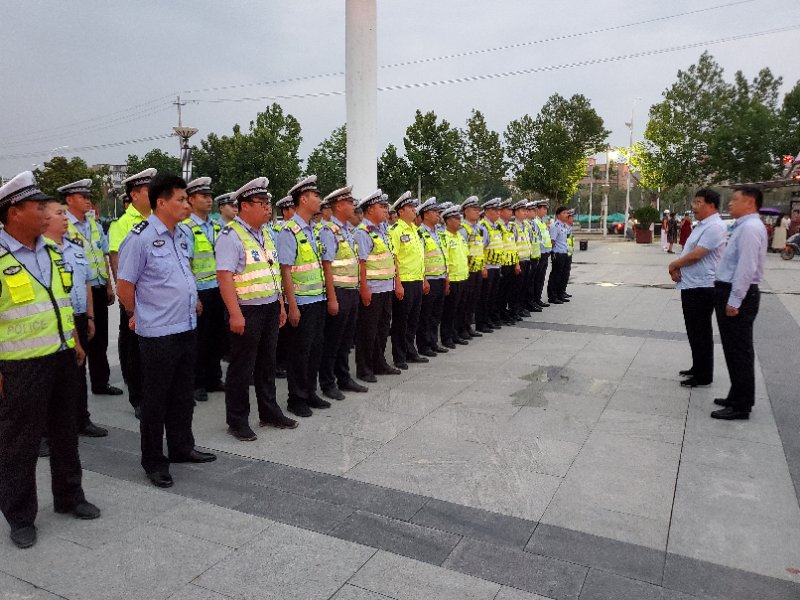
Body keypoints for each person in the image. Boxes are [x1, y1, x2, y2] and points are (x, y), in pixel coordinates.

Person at [0, 171, 100, 549]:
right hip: (20, 365)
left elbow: (60, 301)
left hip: (61, 357)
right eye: (38, 206)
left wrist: (73, 340)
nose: (46, 213)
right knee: (20, 442)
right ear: (14, 211)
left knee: (64, 432)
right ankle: (20, 516)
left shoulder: (53, 251)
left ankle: (70, 496)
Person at [116, 174, 216, 489]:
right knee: (155, 400)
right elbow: (124, 285)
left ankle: (181, 447)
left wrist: (192, 298)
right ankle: (154, 461)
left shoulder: (182, 234)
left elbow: (183, 272)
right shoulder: (140, 238)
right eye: (181, 199)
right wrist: (136, 314)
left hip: (186, 326)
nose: (187, 205)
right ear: (161, 202)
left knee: (183, 395)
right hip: (158, 333)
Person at [216, 177, 295, 441]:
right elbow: (224, 276)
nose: (267, 208)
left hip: (269, 307)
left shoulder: (266, 234)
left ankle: (269, 411)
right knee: (242, 367)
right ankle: (237, 420)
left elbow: (272, 271)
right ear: (244, 206)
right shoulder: (230, 235)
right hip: (246, 311)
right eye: (261, 203)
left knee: (267, 363)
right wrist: (235, 313)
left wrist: (280, 304)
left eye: (268, 203)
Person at [43, 199, 108, 438]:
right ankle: (47, 430)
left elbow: (86, 282)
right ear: (44, 219)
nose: (65, 218)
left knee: (79, 371)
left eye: (64, 213)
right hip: (57, 321)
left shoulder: (75, 247)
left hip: (79, 317)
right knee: (55, 377)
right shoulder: (42, 253)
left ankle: (82, 419)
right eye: (59, 213)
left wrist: (90, 316)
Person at [59, 179, 121, 397]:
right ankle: (76, 393)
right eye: (83, 197)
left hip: (98, 286)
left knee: (100, 338)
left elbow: (103, 254)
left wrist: (109, 285)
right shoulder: (63, 225)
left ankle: (100, 382)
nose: (88, 201)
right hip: (77, 291)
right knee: (80, 339)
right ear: (69, 200)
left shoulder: (93, 223)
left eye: (89, 197)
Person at [711, 186, 767, 420]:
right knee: (733, 349)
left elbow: (747, 267)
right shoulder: (744, 226)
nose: (730, 203)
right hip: (732, 291)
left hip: (739, 295)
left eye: (735, 199)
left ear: (750, 203)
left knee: (739, 351)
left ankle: (741, 405)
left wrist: (735, 300)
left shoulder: (750, 228)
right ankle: (736, 395)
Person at [277, 176, 331, 418]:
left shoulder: (314, 230)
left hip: (317, 299)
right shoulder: (289, 230)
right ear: (304, 199)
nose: (320, 200)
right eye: (316, 196)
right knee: (299, 352)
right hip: (301, 302)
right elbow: (286, 270)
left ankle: (310, 392)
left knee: (315, 349)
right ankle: (296, 398)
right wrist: (293, 306)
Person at [109, 167, 156, 418]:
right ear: (135, 194)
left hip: (157, 297)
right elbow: (117, 262)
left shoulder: (159, 219)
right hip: (135, 297)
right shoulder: (122, 224)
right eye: (149, 190)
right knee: (135, 350)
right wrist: (127, 300)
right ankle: (138, 398)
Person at [668, 189, 727, 389]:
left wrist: (674, 264)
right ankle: (698, 367)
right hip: (692, 284)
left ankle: (704, 375)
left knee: (700, 331)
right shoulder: (703, 225)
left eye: (698, 202)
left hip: (703, 287)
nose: (694, 206)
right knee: (694, 330)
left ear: (711, 205)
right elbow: (690, 251)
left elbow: (696, 255)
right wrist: (677, 269)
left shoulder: (715, 226)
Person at [317, 186, 368, 399]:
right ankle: (328, 383)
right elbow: (326, 266)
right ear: (339, 206)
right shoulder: (328, 231)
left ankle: (344, 378)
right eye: (349, 203)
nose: (353, 206)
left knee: (346, 340)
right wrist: (332, 298)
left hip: (351, 291)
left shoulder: (347, 231)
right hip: (338, 291)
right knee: (333, 341)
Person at [180, 177, 225, 403]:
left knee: (216, 336)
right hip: (200, 290)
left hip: (219, 289)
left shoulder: (217, 226)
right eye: (204, 196)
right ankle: (196, 383)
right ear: (191, 199)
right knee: (199, 339)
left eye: (210, 196)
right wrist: (194, 296)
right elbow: (186, 264)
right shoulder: (186, 228)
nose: (209, 200)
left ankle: (214, 378)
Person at [353, 190, 399, 382]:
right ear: (370, 209)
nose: (386, 210)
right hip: (372, 289)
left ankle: (379, 363)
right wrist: (364, 288)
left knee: (382, 329)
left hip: (386, 287)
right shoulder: (363, 232)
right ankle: (364, 369)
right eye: (382, 207)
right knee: (368, 331)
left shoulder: (382, 231)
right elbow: (361, 263)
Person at [388, 192, 428, 369]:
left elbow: (419, 258)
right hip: (404, 282)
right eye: (411, 208)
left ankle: (411, 351)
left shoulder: (415, 230)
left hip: (417, 280)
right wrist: (398, 283)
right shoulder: (396, 231)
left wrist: (424, 279)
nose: (414, 210)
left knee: (413, 319)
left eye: (414, 207)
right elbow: (394, 258)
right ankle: (399, 356)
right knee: (401, 321)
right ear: (401, 211)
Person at [416, 198, 449, 356]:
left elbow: (444, 256)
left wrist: (446, 278)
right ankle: (424, 345)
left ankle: (433, 342)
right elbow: (419, 258)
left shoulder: (439, 233)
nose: (438, 214)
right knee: (426, 315)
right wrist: (424, 279)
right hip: (429, 279)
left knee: (436, 314)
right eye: (434, 212)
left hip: (441, 278)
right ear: (426, 214)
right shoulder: (420, 233)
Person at [440, 205, 469, 347]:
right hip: (452, 279)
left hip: (463, 277)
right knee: (449, 311)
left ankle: (456, 334)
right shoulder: (444, 237)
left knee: (460, 309)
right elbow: (444, 261)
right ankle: (447, 337)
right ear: (448, 221)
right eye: (456, 219)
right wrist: (447, 280)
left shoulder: (460, 236)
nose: (459, 221)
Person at [458, 196, 487, 338]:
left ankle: (468, 326)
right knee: (465, 301)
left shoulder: (479, 229)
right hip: (467, 271)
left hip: (477, 270)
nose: (477, 212)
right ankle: (461, 329)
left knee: (473, 300)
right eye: (474, 209)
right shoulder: (462, 229)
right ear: (465, 211)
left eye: (477, 209)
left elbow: (482, 248)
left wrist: (483, 267)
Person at [476, 198, 504, 333]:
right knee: (484, 297)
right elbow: (479, 249)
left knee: (493, 295)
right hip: (487, 267)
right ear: (487, 211)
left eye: (499, 210)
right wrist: (483, 267)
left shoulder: (496, 226)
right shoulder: (482, 227)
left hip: (496, 266)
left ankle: (489, 320)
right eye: (495, 210)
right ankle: (481, 323)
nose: (498, 213)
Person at [547, 206, 570, 304]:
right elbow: (552, 241)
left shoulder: (564, 226)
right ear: (558, 215)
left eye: (566, 213)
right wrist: (551, 253)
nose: (566, 215)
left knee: (562, 275)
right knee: (555, 275)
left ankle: (560, 294)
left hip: (564, 253)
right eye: (564, 213)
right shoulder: (555, 226)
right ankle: (552, 296)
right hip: (557, 254)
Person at [532, 200, 552, 308]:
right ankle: (534, 299)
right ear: (537, 209)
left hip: (545, 253)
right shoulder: (535, 222)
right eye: (543, 209)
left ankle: (538, 298)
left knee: (541, 278)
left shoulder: (542, 222)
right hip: (539, 254)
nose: (545, 211)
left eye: (546, 209)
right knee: (536, 278)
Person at [523, 201, 542, 312]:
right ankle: (527, 303)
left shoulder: (534, 223)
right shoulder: (526, 224)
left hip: (535, 257)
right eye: (533, 210)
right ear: (527, 211)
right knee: (528, 283)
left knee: (533, 281)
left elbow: (537, 240)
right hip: (529, 258)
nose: (535, 212)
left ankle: (532, 301)